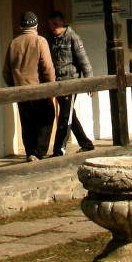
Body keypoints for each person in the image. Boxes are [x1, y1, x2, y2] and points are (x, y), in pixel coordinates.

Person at [2, 11, 55, 161]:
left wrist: (14, 85)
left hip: (20, 91)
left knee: (27, 123)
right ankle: (38, 151)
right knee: (46, 118)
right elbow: (48, 67)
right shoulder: (40, 41)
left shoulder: (13, 43)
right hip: (39, 89)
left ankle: (30, 152)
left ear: (21, 26)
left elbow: (5, 72)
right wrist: (50, 88)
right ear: (36, 25)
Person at [43, 12, 94, 156]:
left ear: (63, 23)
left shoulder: (73, 38)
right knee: (70, 115)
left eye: (56, 24)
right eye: (51, 25)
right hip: (56, 84)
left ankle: (59, 149)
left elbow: (84, 61)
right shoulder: (50, 40)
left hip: (71, 83)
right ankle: (86, 143)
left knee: (65, 115)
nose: (54, 28)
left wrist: (90, 83)